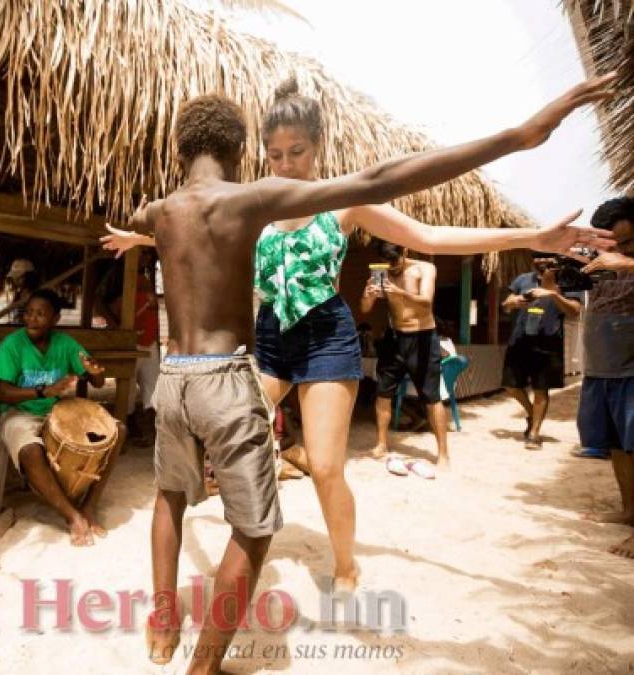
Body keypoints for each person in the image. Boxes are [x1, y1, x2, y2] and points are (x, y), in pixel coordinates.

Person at [103, 75, 615, 672]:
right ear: (256, 155)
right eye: (276, 154)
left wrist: (531, 232)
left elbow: (426, 233)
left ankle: (344, 563)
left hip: (321, 338)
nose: (288, 164)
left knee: (323, 465)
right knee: (233, 478)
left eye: (298, 153)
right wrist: (139, 233)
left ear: (318, 149)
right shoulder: (255, 200)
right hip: (262, 344)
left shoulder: (321, 200)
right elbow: (190, 229)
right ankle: (203, 643)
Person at [0, 288, 125, 546]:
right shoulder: (13, 344)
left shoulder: (65, 344)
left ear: (55, 319)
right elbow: (1, 392)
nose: (31, 319)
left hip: (57, 411)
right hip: (20, 413)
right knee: (31, 450)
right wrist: (43, 390)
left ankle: (89, 506)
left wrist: (95, 372)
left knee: (118, 430)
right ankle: (72, 514)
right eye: (28, 313)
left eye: (40, 314)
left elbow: (96, 381)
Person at [576, 197, 634, 559]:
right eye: (609, 244)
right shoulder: (598, 262)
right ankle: (629, 511)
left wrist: (626, 262)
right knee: (616, 443)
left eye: (626, 242)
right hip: (603, 364)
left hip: (632, 365)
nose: (615, 250)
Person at [361, 241, 451, 470]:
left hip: (422, 337)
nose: (392, 268)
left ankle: (443, 454)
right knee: (383, 392)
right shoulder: (382, 273)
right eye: (387, 264)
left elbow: (426, 303)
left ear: (406, 252)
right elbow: (364, 309)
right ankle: (382, 444)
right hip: (394, 338)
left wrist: (399, 292)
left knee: (431, 397)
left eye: (395, 262)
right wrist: (368, 296)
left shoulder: (424, 268)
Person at [501, 252, 584, 449]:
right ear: (533, 260)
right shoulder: (522, 279)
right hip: (520, 341)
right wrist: (510, 303)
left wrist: (553, 294)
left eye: (548, 258)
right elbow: (506, 304)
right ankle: (531, 414)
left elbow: (574, 310)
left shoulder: (569, 281)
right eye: (539, 257)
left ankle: (534, 434)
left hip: (548, 343)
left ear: (556, 261)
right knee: (510, 386)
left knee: (541, 388)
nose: (543, 261)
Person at [95, 250, 161, 443]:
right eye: (142, 253)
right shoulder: (115, 275)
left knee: (153, 384)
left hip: (148, 340)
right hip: (130, 339)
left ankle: (156, 426)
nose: (146, 258)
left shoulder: (145, 276)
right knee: (128, 385)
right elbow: (99, 302)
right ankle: (128, 424)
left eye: (148, 255)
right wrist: (116, 328)